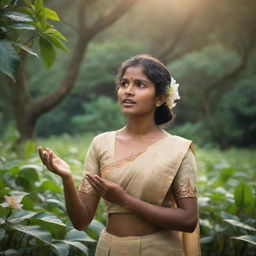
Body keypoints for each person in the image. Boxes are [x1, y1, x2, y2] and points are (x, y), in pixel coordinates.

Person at [38, 54, 200, 256]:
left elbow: (188, 220)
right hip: (109, 249)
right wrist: (67, 178)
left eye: (140, 85)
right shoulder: (101, 143)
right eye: (124, 84)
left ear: (159, 98)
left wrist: (126, 200)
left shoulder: (178, 149)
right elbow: (81, 221)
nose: (128, 91)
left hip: (159, 250)